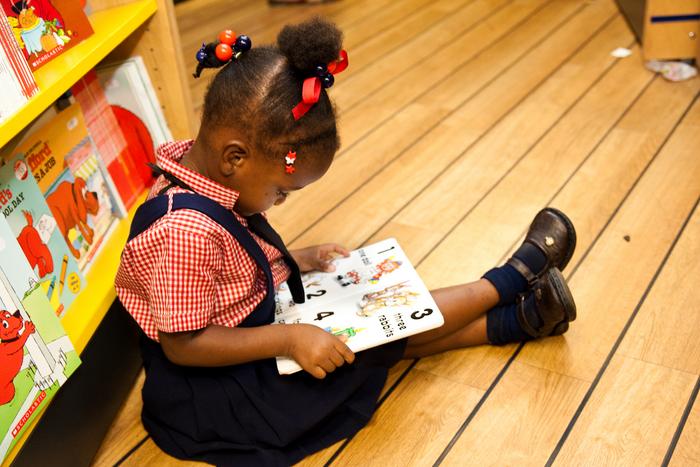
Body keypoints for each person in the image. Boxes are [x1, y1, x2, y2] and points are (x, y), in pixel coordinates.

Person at [115, 16, 577, 466]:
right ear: (235, 157)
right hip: (222, 391)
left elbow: (224, 263)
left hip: (251, 332)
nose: (279, 203)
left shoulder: (205, 175)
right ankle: (511, 280)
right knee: (366, 340)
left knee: (381, 328)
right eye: (281, 191)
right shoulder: (183, 232)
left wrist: (297, 258)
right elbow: (184, 344)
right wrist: (290, 338)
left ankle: (519, 320)